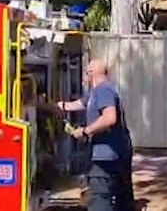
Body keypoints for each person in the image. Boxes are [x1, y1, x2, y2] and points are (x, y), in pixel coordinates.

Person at [56, 59, 134, 211]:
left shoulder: (103, 90)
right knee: (120, 196)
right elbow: (77, 104)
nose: (84, 77)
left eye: (86, 73)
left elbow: (110, 118)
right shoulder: (96, 92)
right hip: (117, 153)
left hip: (106, 156)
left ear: (91, 73)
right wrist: (55, 106)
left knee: (100, 194)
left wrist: (85, 131)